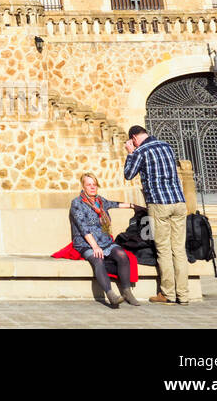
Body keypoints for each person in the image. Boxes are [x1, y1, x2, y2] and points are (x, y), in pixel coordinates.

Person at [124, 125, 190, 304]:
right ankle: (183, 295)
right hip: (179, 202)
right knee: (179, 249)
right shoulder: (166, 146)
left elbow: (128, 174)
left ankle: (168, 294)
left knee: (164, 250)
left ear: (134, 139)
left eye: (133, 142)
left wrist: (130, 153)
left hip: (159, 203)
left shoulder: (141, 151)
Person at [69, 172, 140, 308]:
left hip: (104, 240)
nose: (92, 187)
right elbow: (83, 227)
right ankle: (111, 294)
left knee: (122, 255)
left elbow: (115, 204)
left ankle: (127, 292)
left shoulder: (100, 201)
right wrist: (95, 246)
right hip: (86, 243)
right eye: (89, 184)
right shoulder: (77, 203)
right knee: (98, 260)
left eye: (94, 184)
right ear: (83, 186)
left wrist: (133, 206)